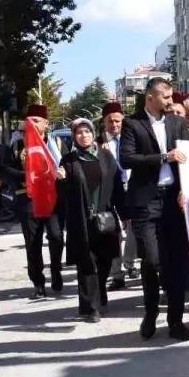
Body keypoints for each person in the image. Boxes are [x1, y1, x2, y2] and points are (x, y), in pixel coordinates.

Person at [119, 77, 189, 341]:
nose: (170, 102)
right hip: (146, 203)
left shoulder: (177, 123)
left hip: (174, 202)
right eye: (165, 97)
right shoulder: (132, 123)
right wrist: (164, 157)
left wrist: (187, 190)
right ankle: (150, 312)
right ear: (150, 98)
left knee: (175, 263)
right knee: (152, 262)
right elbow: (127, 159)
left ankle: (176, 321)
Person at [59, 118, 127, 323]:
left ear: (93, 133)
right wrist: (60, 181)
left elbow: (116, 187)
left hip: (105, 218)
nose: (83, 136)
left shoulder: (105, 156)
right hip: (82, 221)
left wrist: (124, 214)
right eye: (79, 133)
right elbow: (63, 195)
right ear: (74, 136)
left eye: (87, 132)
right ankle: (90, 308)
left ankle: (99, 296)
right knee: (87, 264)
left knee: (105, 262)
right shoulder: (68, 161)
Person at [23, 105, 67, 295]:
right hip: (29, 199)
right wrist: (27, 171)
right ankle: (38, 282)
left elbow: (67, 164)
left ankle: (56, 272)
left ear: (46, 124)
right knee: (33, 242)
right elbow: (6, 169)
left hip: (53, 198)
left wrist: (63, 174)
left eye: (35, 121)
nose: (31, 124)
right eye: (29, 121)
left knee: (56, 237)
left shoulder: (56, 143)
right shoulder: (19, 144)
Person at [100, 102, 138, 290]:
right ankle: (117, 275)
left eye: (118, 121)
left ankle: (130, 263)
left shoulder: (131, 139)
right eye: (110, 121)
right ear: (104, 123)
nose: (114, 125)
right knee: (113, 233)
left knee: (132, 230)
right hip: (108, 192)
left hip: (130, 188)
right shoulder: (97, 143)